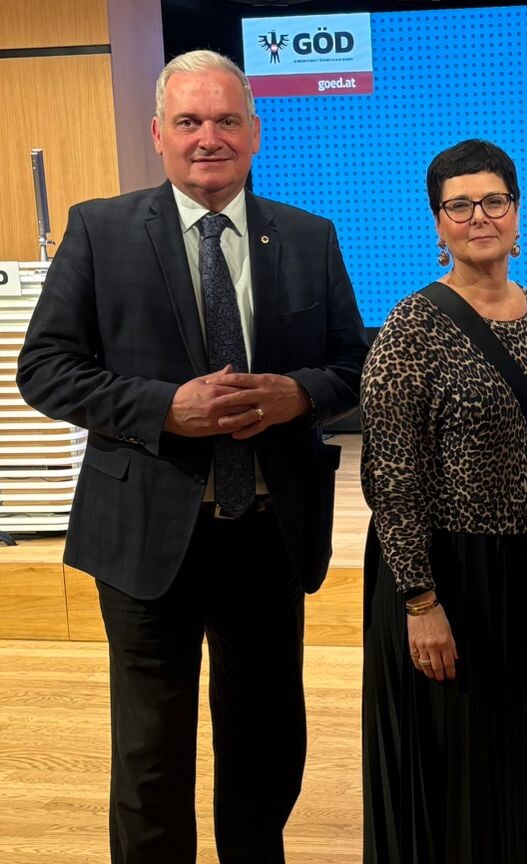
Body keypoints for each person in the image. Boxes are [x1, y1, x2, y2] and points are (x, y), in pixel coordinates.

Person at [16, 50, 367, 863]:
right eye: (189, 121)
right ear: (158, 135)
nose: (208, 137)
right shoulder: (100, 229)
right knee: (150, 752)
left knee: (266, 743)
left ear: (254, 133)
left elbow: (353, 362)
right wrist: (163, 409)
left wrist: (299, 394)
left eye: (226, 121)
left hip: (267, 533)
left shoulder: (308, 236)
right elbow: (46, 369)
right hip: (143, 537)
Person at [360, 138, 527, 864]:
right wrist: (419, 600)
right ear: (437, 224)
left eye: (493, 200)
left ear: (517, 213)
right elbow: (391, 476)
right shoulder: (410, 326)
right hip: (450, 577)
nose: (478, 216)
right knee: (461, 764)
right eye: (459, 205)